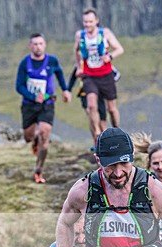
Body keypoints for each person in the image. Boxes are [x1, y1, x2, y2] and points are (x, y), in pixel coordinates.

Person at [16, 33, 71, 183]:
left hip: (47, 104)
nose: (37, 47)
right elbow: (18, 86)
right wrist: (33, 96)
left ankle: (39, 170)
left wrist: (65, 89)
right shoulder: (24, 63)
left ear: (45, 44)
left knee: (44, 133)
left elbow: (59, 73)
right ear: (30, 46)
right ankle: (34, 140)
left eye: (40, 43)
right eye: (34, 44)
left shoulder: (52, 61)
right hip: (29, 105)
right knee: (28, 137)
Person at [73, 8, 124, 143]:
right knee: (91, 106)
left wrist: (110, 56)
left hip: (106, 75)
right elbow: (76, 50)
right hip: (89, 76)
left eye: (90, 21)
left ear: (96, 21)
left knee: (111, 109)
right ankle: (97, 136)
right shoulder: (80, 35)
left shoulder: (105, 33)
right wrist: (79, 67)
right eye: (85, 22)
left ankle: (117, 131)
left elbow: (120, 49)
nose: (88, 25)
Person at [68, 65, 121, 148]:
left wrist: (108, 82)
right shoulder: (81, 63)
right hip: (85, 93)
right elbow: (73, 77)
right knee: (90, 112)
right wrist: (68, 90)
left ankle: (107, 142)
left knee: (102, 119)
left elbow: (117, 74)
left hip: (100, 94)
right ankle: (97, 140)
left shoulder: (101, 62)